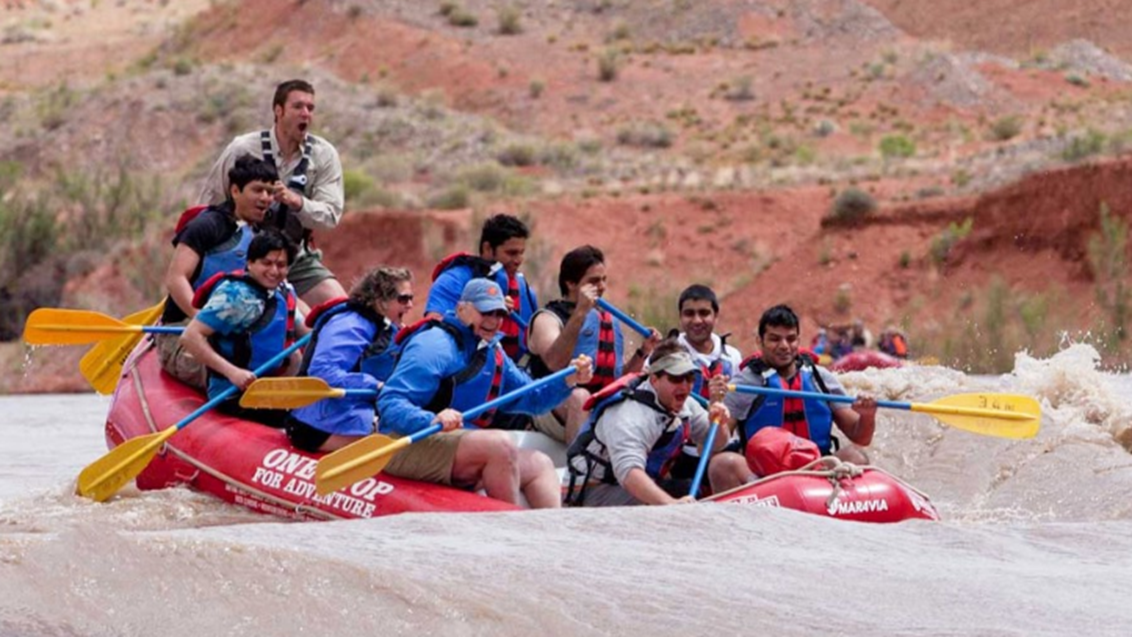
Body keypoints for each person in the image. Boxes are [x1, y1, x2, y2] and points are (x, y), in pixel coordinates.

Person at [377, 279, 593, 509]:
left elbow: (534, 399)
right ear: (462, 309)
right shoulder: (434, 345)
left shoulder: (491, 350)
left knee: (541, 463)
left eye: (499, 313)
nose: (493, 321)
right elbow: (390, 402)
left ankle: (552, 538)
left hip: (457, 443)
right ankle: (510, 530)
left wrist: (568, 380)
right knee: (499, 444)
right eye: (486, 312)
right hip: (406, 442)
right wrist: (431, 419)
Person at [198, 79, 346, 308]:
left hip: (295, 258)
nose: (305, 114)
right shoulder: (243, 148)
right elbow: (210, 203)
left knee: (340, 309)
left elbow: (330, 216)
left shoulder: (323, 155)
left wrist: (297, 202)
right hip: (243, 255)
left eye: (310, 108)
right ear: (278, 110)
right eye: (298, 107)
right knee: (289, 312)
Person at [708, 304, 877, 493]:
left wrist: (867, 416)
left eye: (790, 339)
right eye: (774, 339)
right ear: (759, 341)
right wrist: (716, 409)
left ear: (798, 340)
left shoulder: (820, 378)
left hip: (817, 468)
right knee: (721, 464)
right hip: (765, 477)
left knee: (856, 456)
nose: (784, 346)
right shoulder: (745, 382)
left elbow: (861, 437)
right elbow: (716, 445)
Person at [157, 155, 279, 389]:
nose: (266, 198)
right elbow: (176, 279)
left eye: (270, 192)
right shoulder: (207, 226)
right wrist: (202, 319)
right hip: (183, 331)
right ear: (235, 191)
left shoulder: (264, 235)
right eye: (258, 190)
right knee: (226, 375)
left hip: (235, 332)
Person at [565, 339, 730, 507]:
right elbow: (629, 474)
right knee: (666, 499)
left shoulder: (686, 404)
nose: (685, 386)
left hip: (628, 484)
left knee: (689, 490)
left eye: (689, 378)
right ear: (654, 380)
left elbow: (717, 444)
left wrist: (719, 423)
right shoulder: (629, 415)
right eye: (676, 378)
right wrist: (671, 504)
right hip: (592, 491)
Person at [525, 245, 661, 444]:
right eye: (593, 281)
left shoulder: (606, 320)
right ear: (571, 283)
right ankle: (576, 470)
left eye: (604, 280)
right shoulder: (547, 318)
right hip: (548, 406)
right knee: (580, 397)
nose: (602, 287)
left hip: (595, 408)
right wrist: (580, 312)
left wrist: (643, 351)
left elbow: (618, 381)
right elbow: (554, 362)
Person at [179, 230, 308, 427]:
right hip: (234, 393)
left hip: (271, 388)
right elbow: (190, 336)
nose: (274, 271)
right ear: (250, 263)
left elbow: (302, 335)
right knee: (300, 424)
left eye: (281, 265)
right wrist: (233, 372)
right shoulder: (234, 296)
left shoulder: (284, 291)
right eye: (267, 263)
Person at [285, 266, 415, 452]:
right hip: (317, 425)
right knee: (403, 444)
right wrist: (375, 385)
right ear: (380, 300)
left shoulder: (383, 326)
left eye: (411, 298)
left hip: (349, 413)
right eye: (403, 299)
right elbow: (322, 372)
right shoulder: (350, 324)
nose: (410, 305)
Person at [425, 213, 537, 364]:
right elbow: (433, 330)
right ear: (487, 248)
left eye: (521, 253)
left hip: (509, 375)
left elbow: (533, 340)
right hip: (460, 372)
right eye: (511, 253)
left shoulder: (525, 291)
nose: (518, 260)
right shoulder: (452, 281)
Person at [666, 284, 743, 483]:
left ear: (715, 316)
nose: (697, 320)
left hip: (723, 446)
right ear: (680, 317)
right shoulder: (665, 355)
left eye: (704, 313)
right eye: (689, 314)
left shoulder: (733, 357)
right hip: (680, 453)